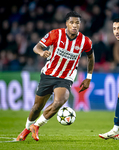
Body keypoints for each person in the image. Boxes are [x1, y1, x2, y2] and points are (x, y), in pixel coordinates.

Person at [16, 11, 95, 141]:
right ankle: (26, 130)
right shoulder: (55, 34)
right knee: (37, 107)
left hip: (66, 77)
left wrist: (89, 77)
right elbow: (37, 47)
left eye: (77, 23)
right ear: (66, 23)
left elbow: (91, 58)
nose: (74, 25)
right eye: (72, 22)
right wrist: (41, 53)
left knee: (60, 101)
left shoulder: (85, 41)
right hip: (49, 74)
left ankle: (37, 125)